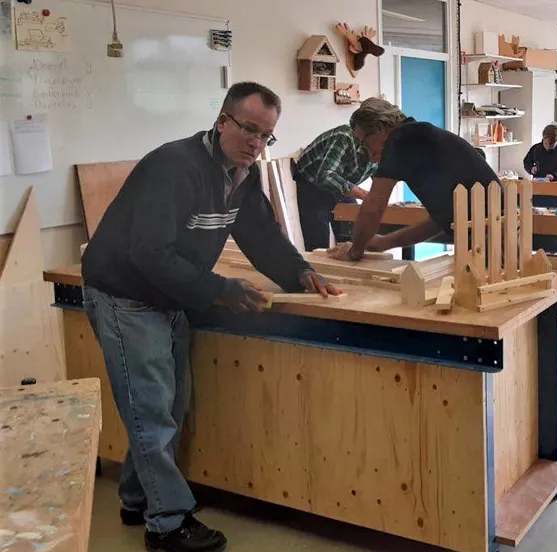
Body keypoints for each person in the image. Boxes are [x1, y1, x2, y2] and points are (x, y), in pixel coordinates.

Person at [81, 82, 339, 552]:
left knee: (167, 407)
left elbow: (260, 233)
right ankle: (167, 524)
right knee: (151, 412)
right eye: (248, 130)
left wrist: (299, 272)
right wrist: (220, 290)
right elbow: (149, 253)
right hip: (125, 295)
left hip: (169, 295)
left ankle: (139, 498)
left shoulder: (242, 174)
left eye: (266, 136)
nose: (256, 144)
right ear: (222, 121)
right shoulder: (174, 167)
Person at [327, 98, 500, 261]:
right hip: (496, 230)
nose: (365, 149)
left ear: (380, 128)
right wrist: (385, 242)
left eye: (364, 142)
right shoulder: (417, 136)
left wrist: (354, 251)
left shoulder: (399, 142)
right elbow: (443, 219)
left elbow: (373, 207)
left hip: (490, 237)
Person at [293, 102, 380, 251]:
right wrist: (366, 195)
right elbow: (326, 176)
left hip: (342, 185)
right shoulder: (344, 137)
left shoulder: (382, 146)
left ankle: (349, 267)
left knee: (353, 235)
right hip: (313, 184)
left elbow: (380, 179)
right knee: (318, 244)